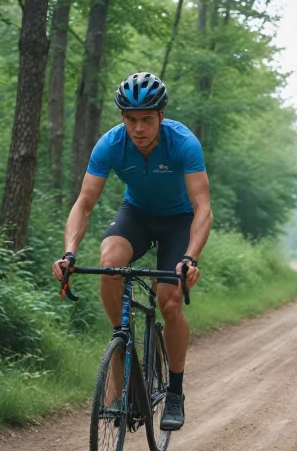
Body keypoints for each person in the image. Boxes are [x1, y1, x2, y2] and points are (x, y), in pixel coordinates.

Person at [52, 72, 212, 430]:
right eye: (130, 120)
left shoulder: (183, 142)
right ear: (122, 118)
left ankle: (174, 391)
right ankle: (121, 346)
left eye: (146, 120)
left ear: (161, 116)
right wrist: (69, 253)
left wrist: (190, 258)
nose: (138, 128)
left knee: (169, 301)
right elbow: (84, 204)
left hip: (178, 220)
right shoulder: (109, 145)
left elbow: (202, 207)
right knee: (109, 262)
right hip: (136, 214)